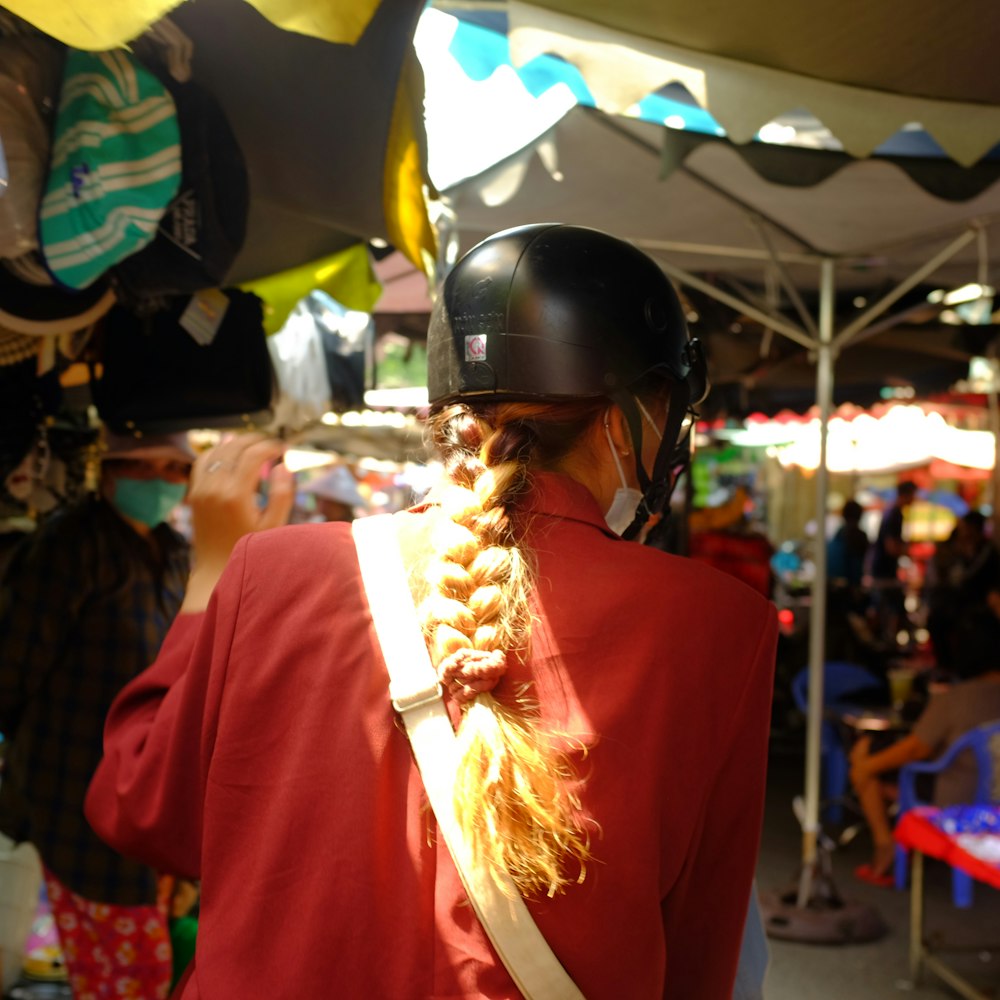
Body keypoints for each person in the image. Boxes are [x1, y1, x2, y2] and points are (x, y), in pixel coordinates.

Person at [84, 224, 778, 998]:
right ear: (629, 418)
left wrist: (209, 575)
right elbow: (700, 957)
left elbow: (139, 810)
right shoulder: (718, 626)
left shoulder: (271, 571)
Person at [0, 430, 198, 998]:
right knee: (127, 972)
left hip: (149, 786)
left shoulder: (174, 553)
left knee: (147, 960)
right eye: (144, 465)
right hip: (75, 792)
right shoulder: (68, 547)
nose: (160, 480)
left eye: (173, 468)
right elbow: (12, 668)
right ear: (108, 470)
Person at [848, 607, 1000, 886]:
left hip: (957, 796)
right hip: (992, 795)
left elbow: (916, 750)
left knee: (867, 759)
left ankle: (885, 846)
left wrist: (865, 767)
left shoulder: (957, 698)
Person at [868, 480, 918, 644]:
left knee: (891, 606)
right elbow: (891, 547)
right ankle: (889, 644)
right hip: (884, 571)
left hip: (883, 569)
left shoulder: (891, 511)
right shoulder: (895, 514)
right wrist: (909, 551)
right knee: (892, 607)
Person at [300, 463, 366, 522]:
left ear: (343, 507)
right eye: (321, 502)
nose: (323, 508)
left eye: (328, 504)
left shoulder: (354, 528)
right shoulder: (318, 522)